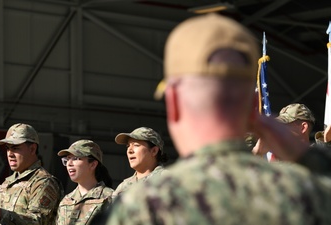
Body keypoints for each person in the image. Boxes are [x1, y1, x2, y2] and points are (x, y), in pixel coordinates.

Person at [98, 13, 331, 225]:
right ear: (253, 107)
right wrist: (305, 155)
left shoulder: (141, 206)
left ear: (175, 103)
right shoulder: (306, 194)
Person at [0, 123, 64, 225]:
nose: (10, 154)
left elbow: (38, 221)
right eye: (7, 148)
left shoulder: (44, 182)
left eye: (15, 148)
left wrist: (0, 213)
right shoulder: (7, 183)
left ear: (32, 149)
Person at [55, 139, 114, 225]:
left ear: (93, 164)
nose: (69, 164)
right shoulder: (66, 201)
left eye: (75, 158)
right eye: (67, 159)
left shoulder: (109, 198)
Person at [111, 127, 168, 199]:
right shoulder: (123, 187)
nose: (129, 150)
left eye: (136, 145)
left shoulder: (168, 180)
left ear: (154, 151)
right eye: (128, 146)